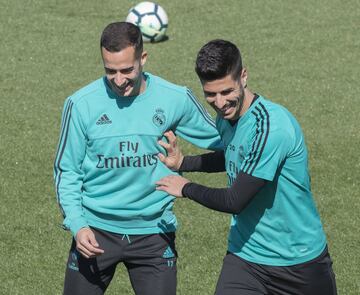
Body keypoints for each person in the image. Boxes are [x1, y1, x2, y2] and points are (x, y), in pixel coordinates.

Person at [156, 39, 337, 295]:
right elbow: (233, 154)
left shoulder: (271, 127)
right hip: (246, 256)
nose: (219, 103)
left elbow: (235, 200)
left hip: (298, 261)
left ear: (243, 76)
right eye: (210, 94)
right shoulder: (227, 117)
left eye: (226, 91)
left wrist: (185, 187)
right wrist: (184, 162)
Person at [53, 22, 222, 295]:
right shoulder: (81, 104)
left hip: (154, 233)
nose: (119, 81)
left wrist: (185, 163)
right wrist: (77, 223)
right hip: (95, 230)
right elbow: (67, 170)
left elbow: (224, 140)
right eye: (110, 71)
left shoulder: (174, 98)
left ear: (143, 58)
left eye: (127, 70)